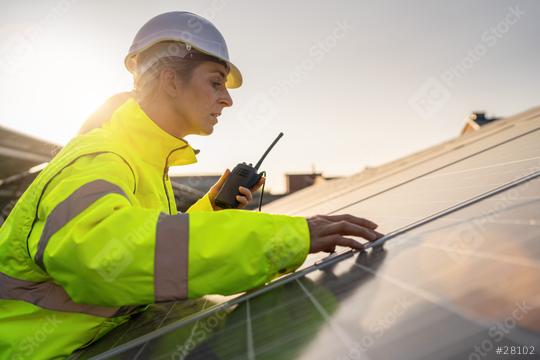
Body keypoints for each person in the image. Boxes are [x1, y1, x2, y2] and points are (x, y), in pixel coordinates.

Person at [0, 11, 383, 359]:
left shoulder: (142, 161)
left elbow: (148, 243)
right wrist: (285, 239)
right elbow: (104, 256)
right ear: (170, 81)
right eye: (216, 82)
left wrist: (211, 210)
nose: (227, 100)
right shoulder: (100, 157)